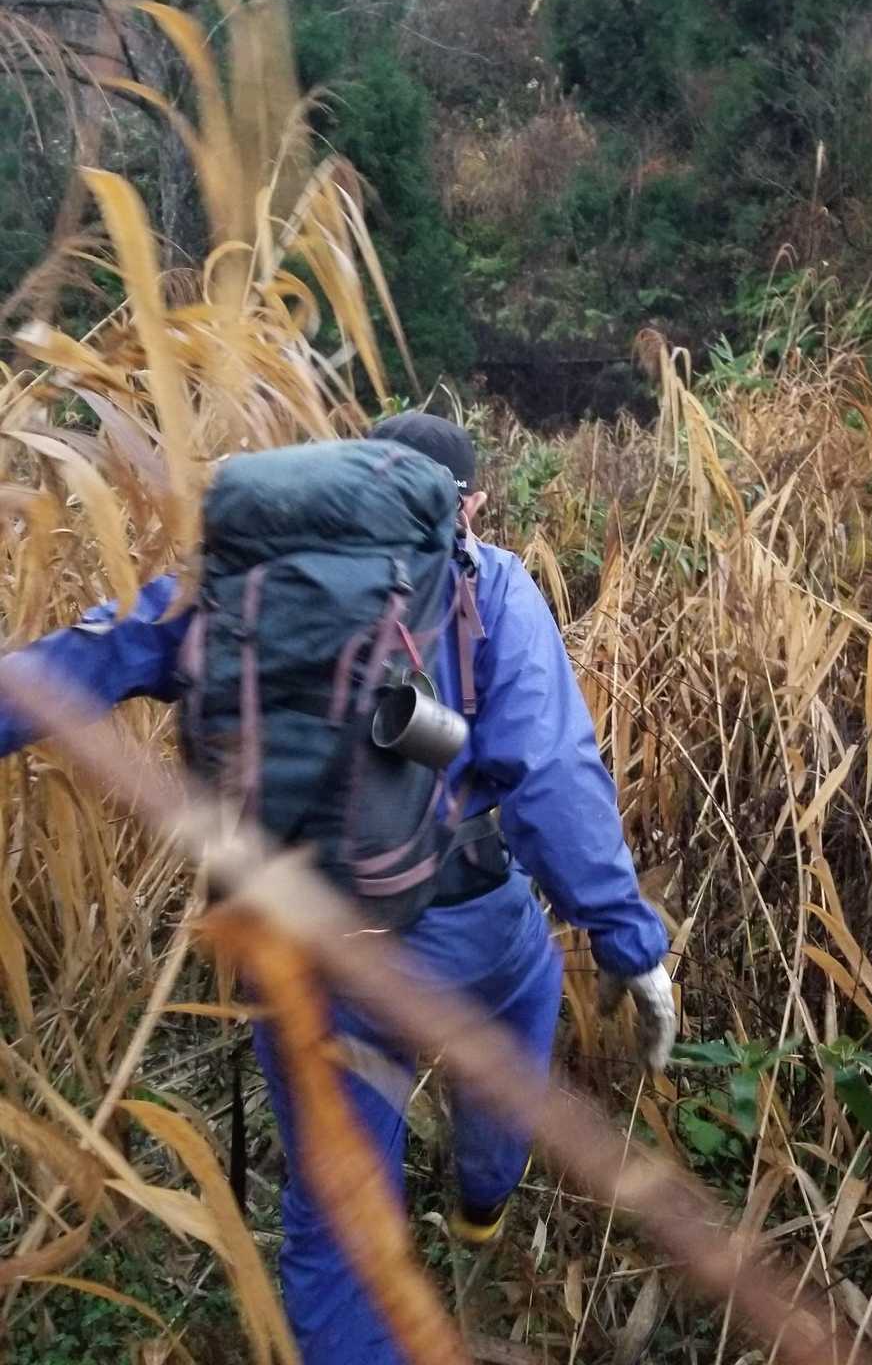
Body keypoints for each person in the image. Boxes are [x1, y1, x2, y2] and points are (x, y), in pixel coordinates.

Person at [0, 412, 676, 1364]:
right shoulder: (492, 583)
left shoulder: (233, 585)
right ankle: (482, 1202)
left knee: (339, 1209)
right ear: (471, 503)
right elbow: (552, 774)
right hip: (470, 922)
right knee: (509, 1055)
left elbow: (67, 670)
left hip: (302, 941)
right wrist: (626, 937)